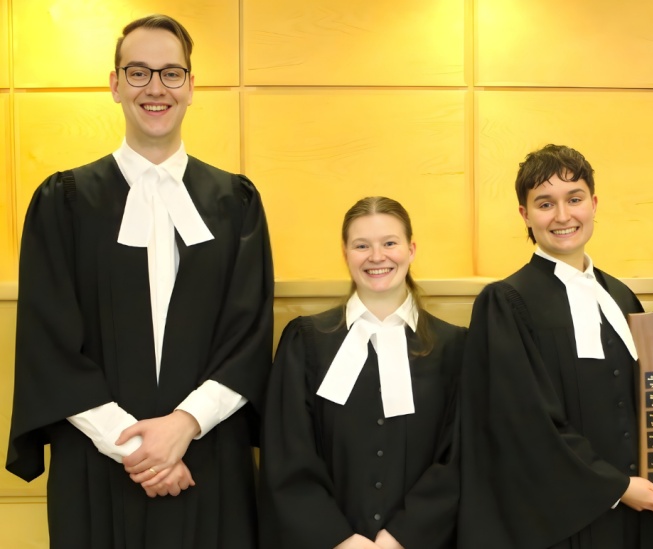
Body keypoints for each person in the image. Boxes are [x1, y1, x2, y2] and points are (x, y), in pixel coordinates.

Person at [5, 14, 274, 549]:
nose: (156, 88)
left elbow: (248, 333)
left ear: (192, 88)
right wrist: (135, 449)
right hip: (96, 458)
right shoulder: (63, 202)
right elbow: (48, 341)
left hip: (206, 453)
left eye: (172, 73)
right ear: (114, 85)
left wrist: (183, 427)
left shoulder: (236, 203)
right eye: (138, 72)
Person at [458, 144, 653, 549]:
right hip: (565, 522)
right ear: (525, 215)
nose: (563, 216)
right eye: (545, 204)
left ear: (594, 204)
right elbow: (523, 423)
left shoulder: (620, 296)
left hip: (641, 515)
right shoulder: (507, 302)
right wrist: (614, 486)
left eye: (574, 199)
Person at [259, 196, 465, 549]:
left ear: (411, 249)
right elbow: (287, 453)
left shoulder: (455, 348)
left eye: (389, 243)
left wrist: (402, 537)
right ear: (345, 253)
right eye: (361, 246)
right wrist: (339, 540)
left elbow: (461, 456)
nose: (377, 256)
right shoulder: (305, 343)